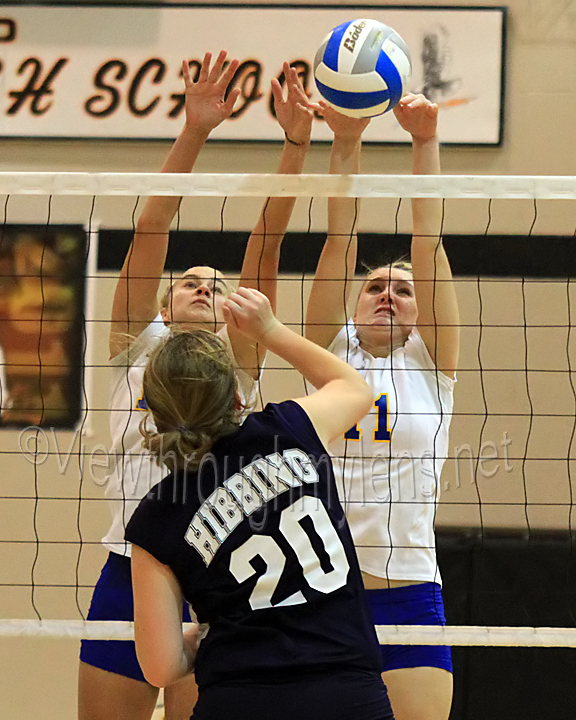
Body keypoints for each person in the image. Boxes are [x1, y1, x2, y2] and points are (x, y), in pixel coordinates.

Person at [78, 51, 314, 720]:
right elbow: (151, 227)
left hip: (211, 569)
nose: (207, 287)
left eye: (217, 285)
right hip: (127, 570)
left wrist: (296, 145)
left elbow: (264, 249)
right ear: (162, 306)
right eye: (190, 282)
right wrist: (195, 132)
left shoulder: (236, 360)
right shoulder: (138, 346)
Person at [125, 286, 395, 720]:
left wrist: (205, 633)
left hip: (238, 699)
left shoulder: (155, 519)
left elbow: (160, 667)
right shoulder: (289, 429)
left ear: (153, 415)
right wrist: (268, 329)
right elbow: (354, 388)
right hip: (347, 694)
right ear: (236, 397)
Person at [305, 95, 459, 720]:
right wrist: (346, 141)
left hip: (409, 594)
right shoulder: (327, 351)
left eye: (402, 288)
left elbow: (429, 241)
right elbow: (338, 241)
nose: (389, 295)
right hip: (320, 593)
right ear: (354, 301)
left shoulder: (433, 363)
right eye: (375, 286)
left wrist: (424, 142)